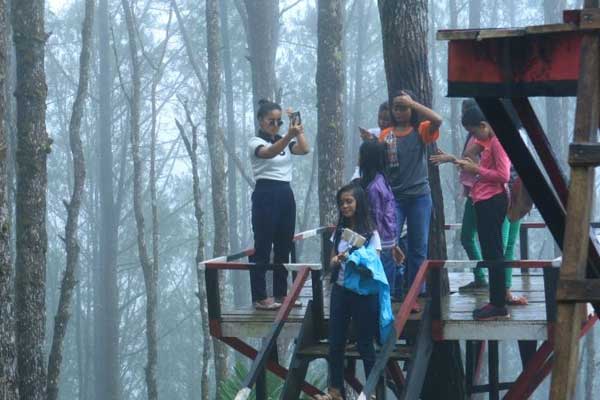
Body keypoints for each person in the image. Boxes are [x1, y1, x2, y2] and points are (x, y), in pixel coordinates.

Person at [315, 183, 392, 400]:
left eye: (349, 201)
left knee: (365, 343)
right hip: (340, 291)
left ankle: (371, 392)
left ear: (359, 202)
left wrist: (356, 259)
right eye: (341, 203)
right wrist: (337, 259)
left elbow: (375, 266)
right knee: (336, 341)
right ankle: (335, 391)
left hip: (364, 295)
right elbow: (330, 261)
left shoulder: (371, 233)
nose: (345, 206)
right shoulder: (339, 232)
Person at [378, 89, 442, 311]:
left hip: (419, 197)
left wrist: (413, 104)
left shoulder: (421, 131)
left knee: (418, 247)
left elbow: (438, 119)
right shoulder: (386, 134)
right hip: (393, 198)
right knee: (388, 245)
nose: (400, 111)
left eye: (404, 107)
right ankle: (389, 291)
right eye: (396, 107)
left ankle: (414, 294)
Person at [247, 99, 310, 310]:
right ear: (261, 121)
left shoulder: (284, 139)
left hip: (285, 193)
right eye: (270, 121)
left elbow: (305, 149)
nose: (275, 126)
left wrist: (296, 127)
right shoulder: (256, 142)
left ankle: (282, 294)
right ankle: (260, 297)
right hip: (266, 193)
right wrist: (288, 136)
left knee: (285, 245)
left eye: (279, 122)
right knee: (263, 245)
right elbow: (269, 153)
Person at [455, 106, 511, 320]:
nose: (473, 136)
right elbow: (470, 153)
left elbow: (503, 175)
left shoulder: (497, 142)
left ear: (484, 125)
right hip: (483, 200)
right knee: (489, 251)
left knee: (494, 252)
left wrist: (476, 170)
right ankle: (495, 301)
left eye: (475, 131)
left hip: (492, 200)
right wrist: (472, 152)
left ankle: (498, 304)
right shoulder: (487, 142)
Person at [357, 140, 405, 298]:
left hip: (379, 243)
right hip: (386, 240)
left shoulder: (374, 187)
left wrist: (390, 243)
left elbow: (376, 218)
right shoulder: (380, 181)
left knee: (381, 285)